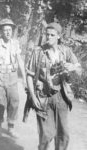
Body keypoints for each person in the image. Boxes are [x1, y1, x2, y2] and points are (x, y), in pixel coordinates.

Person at [26, 22, 81, 150]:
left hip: (62, 96)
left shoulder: (66, 51)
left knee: (63, 135)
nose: (48, 37)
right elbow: (29, 75)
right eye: (47, 34)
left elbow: (79, 70)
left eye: (52, 35)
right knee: (46, 135)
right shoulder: (38, 52)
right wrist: (33, 97)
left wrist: (72, 67)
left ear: (58, 36)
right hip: (44, 97)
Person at [0, 18, 26, 137]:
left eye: (10, 30)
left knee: (14, 101)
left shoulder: (15, 43)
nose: (8, 32)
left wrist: (23, 77)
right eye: (5, 30)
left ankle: (11, 126)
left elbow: (20, 60)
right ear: (1, 32)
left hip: (12, 76)